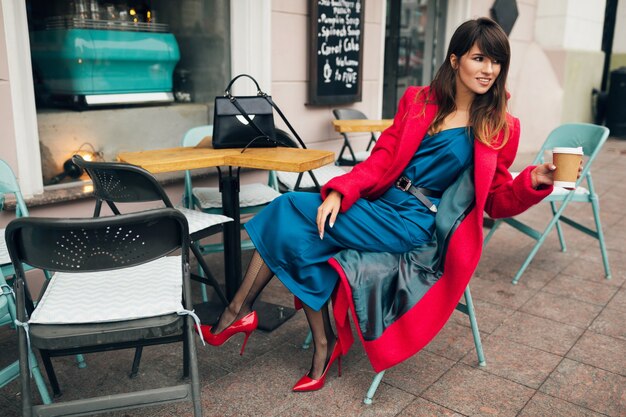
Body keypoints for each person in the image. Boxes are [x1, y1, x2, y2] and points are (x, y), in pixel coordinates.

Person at [198, 17, 559, 391]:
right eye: (479, 58)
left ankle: (239, 312)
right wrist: (340, 191)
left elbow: (495, 200)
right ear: (455, 60)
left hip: (414, 222)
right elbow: (382, 157)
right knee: (303, 239)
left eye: (496, 62)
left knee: (286, 207)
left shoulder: (499, 125)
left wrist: (532, 182)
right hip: (381, 204)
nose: (489, 70)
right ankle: (322, 346)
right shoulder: (418, 101)